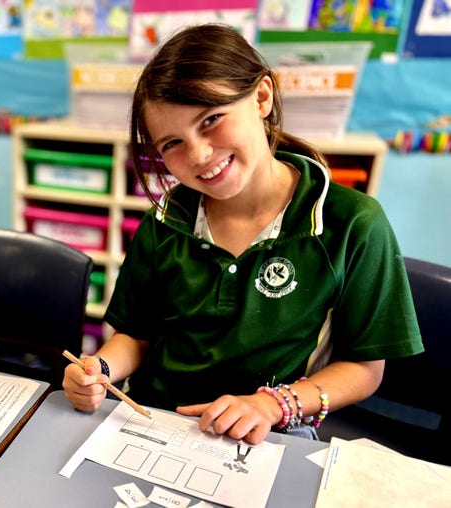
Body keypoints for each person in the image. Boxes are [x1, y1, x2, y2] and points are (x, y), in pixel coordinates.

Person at [63, 24, 423, 444]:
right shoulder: (166, 218)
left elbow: (365, 369)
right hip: (154, 419)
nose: (198, 155)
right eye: (172, 144)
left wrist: (270, 405)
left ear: (262, 98)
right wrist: (100, 370)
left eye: (212, 119)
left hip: (270, 432)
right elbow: (136, 335)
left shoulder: (354, 223)